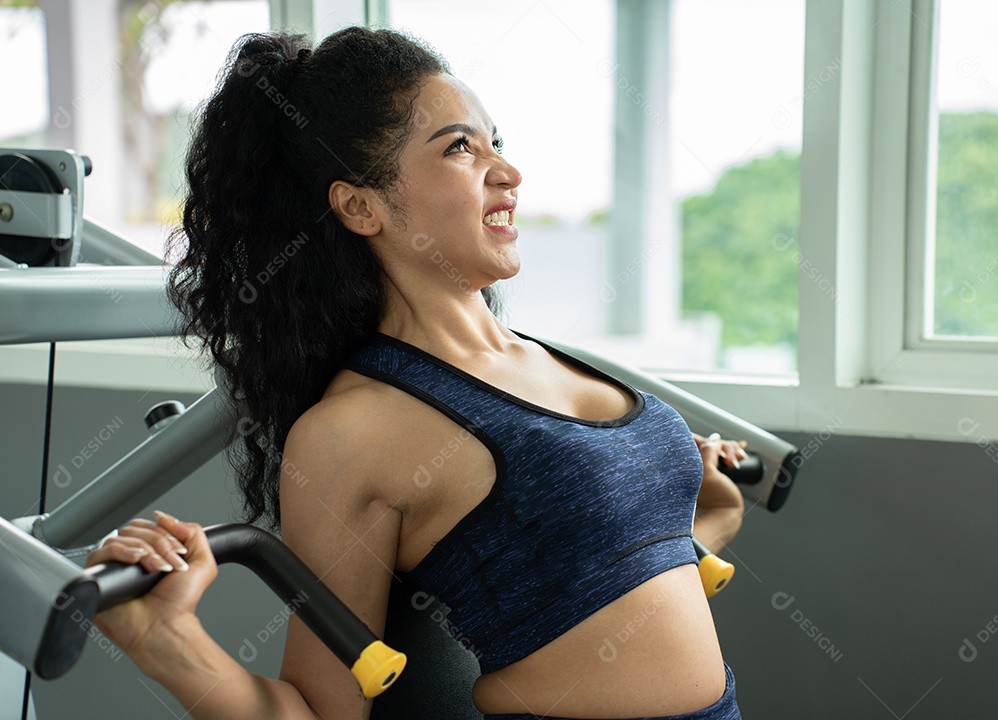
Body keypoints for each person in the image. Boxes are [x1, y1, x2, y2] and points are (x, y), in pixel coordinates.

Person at [84, 26, 747, 720]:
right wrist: (167, 641)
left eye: (497, 142)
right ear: (361, 206)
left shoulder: (546, 359)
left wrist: (696, 522)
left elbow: (592, 610)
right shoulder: (354, 429)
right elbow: (321, 711)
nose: (506, 172)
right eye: (460, 147)